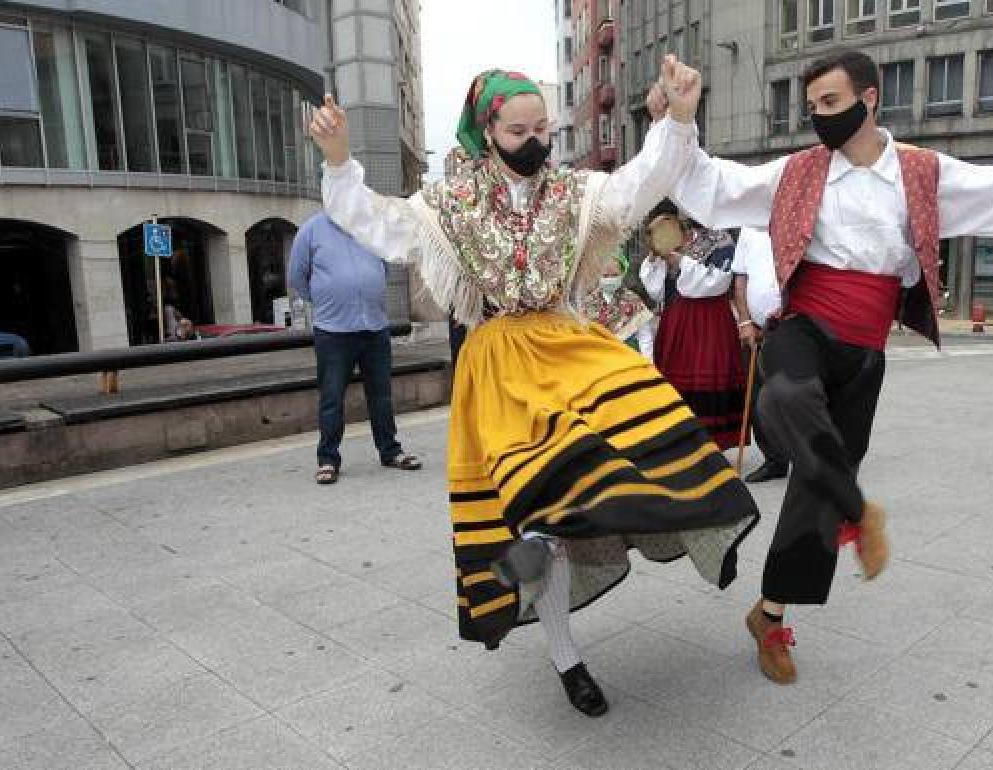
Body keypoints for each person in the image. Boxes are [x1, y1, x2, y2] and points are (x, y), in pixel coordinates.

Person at [649, 49, 993, 685]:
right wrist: (677, 122)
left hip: (865, 352)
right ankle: (859, 511)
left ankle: (771, 616)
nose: (816, 117)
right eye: (810, 106)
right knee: (781, 399)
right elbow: (711, 185)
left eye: (829, 103)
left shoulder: (923, 175)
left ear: (870, 99)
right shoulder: (796, 172)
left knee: (812, 498)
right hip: (804, 328)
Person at [309, 58, 758, 717]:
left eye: (542, 127)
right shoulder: (451, 202)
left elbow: (641, 181)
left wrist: (679, 118)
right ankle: (565, 655)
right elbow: (376, 221)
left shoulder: (574, 195)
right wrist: (340, 159)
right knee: (538, 497)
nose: (535, 140)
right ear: (487, 131)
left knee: (643, 417)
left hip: (567, 343)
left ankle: (637, 515)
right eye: (519, 129)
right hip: (498, 361)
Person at [288, 210, 422, 485]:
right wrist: (327, 298)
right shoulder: (311, 229)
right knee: (332, 397)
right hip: (333, 330)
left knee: (382, 395)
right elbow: (297, 277)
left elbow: (382, 269)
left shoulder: (370, 227)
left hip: (374, 326)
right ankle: (327, 459)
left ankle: (390, 450)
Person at [640, 206, 748, 451]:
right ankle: (681, 444)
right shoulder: (670, 241)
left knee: (708, 376)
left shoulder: (721, 241)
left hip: (710, 321)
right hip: (676, 321)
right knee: (675, 381)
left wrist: (682, 262)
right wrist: (657, 259)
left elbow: (718, 283)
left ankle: (713, 445)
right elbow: (655, 290)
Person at [730, 227, 788, 483]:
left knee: (798, 393)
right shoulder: (748, 228)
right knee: (757, 396)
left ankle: (814, 455)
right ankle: (774, 460)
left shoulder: (796, 219)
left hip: (793, 322)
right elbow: (740, 279)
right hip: (755, 327)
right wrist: (745, 321)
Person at [575, 251, 653, 351]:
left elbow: (645, 336)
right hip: (596, 354)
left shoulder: (633, 300)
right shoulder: (586, 302)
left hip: (626, 355)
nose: (610, 280)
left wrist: (647, 360)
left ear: (622, 274)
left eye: (614, 275)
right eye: (605, 276)